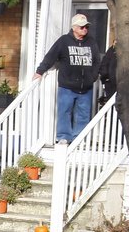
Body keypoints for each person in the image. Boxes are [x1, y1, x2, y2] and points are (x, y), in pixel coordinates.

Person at [33, 14, 102, 143]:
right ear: (74, 27)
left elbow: (97, 61)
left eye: (86, 26)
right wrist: (40, 71)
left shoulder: (91, 42)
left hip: (86, 87)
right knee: (64, 112)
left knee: (83, 114)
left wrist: (93, 76)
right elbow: (51, 56)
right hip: (67, 86)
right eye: (82, 27)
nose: (85, 29)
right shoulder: (64, 41)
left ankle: (79, 138)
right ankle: (64, 137)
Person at [97, 41, 117, 107]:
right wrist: (105, 79)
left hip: (120, 83)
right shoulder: (111, 51)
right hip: (111, 83)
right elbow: (104, 65)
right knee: (111, 105)